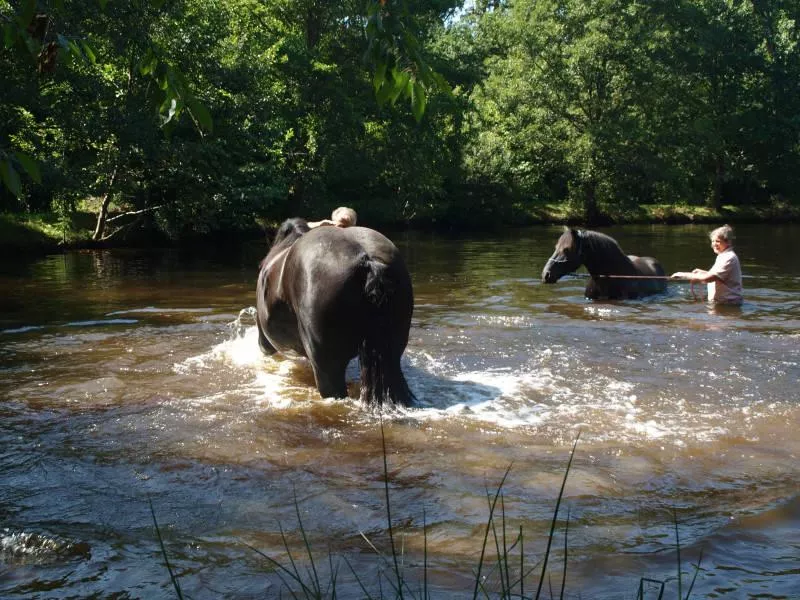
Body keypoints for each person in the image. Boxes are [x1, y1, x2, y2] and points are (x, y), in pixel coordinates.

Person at [671, 224, 743, 304]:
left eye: (718, 241)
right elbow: (719, 277)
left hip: (728, 305)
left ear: (728, 242)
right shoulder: (723, 255)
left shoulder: (728, 257)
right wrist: (703, 273)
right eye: (713, 241)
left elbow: (708, 278)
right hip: (723, 303)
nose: (714, 244)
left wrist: (684, 275)